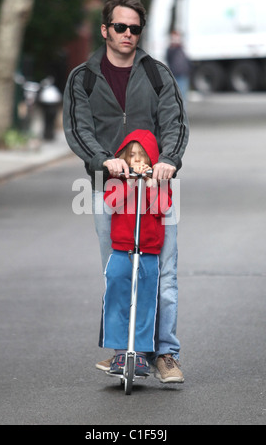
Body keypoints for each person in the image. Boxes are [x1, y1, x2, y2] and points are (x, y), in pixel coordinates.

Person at [63, 0, 189, 383]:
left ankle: (164, 353)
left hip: (157, 188)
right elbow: (77, 129)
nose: (128, 34)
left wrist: (169, 159)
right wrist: (104, 159)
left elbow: (175, 123)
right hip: (108, 189)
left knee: (163, 273)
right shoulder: (83, 78)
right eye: (120, 27)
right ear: (105, 29)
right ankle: (125, 353)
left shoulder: (157, 74)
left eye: (135, 29)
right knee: (119, 270)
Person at [101, 129, 172, 377]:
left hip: (149, 252)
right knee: (116, 298)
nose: (138, 161)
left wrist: (151, 185)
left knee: (145, 302)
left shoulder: (161, 184)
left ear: (152, 159)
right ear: (125, 158)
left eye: (143, 157)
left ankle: (140, 353)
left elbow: (162, 208)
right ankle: (120, 350)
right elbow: (111, 204)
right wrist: (130, 183)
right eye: (133, 156)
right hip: (122, 251)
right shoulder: (118, 182)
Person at [166, 31, 190, 102]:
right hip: (175, 75)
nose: (176, 39)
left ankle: (182, 112)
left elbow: (186, 60)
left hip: (183, 74)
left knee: (183, 96)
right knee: (176, 96)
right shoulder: (171, 49)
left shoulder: (181, 48)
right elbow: (169, 59)